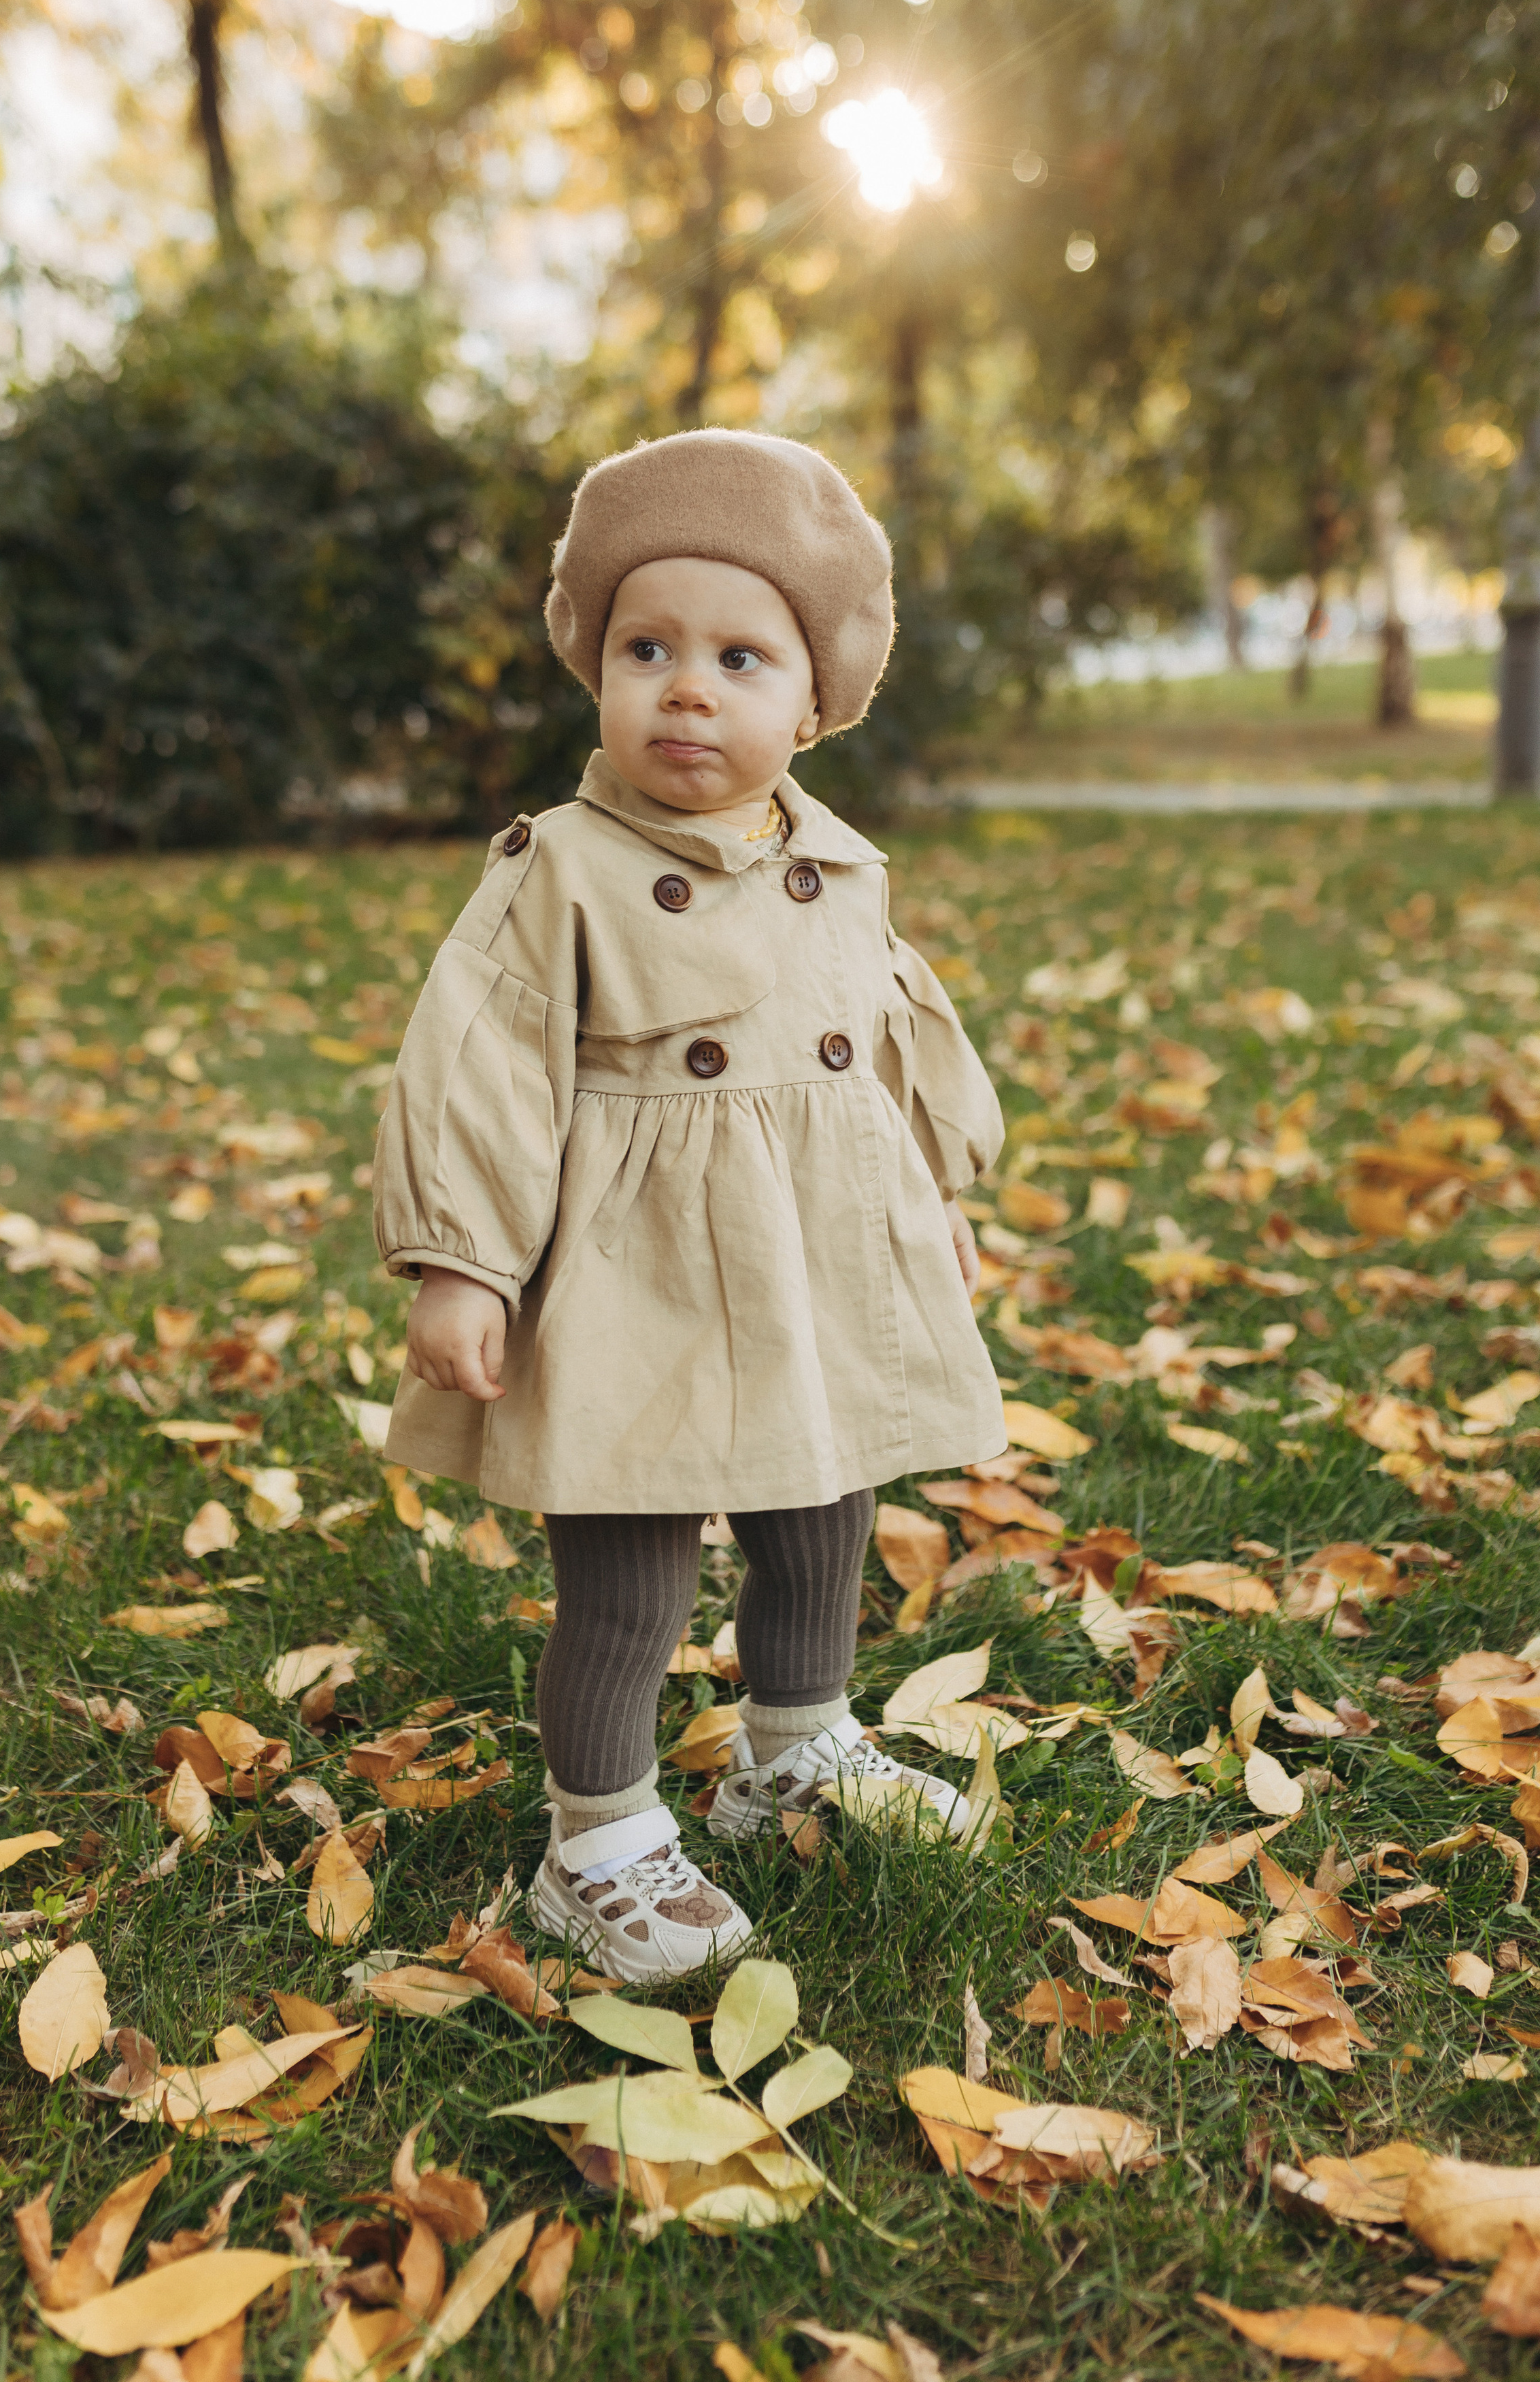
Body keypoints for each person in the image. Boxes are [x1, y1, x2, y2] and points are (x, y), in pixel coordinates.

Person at [372, 429, 1007, 1981]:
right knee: (632, 1567)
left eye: (738, 656)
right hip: (632, 1271)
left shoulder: (836, 864)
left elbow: (890, 1044)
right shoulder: (562, 870)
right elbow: (481, 1059)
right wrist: (462, 1262)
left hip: (813, 1258)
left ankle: (796, 1741)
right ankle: (596, 1843)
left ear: (813, 700)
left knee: (821, 1511)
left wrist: (930, 1196)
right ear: (594, 667)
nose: (687, 688)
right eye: (646, 648)